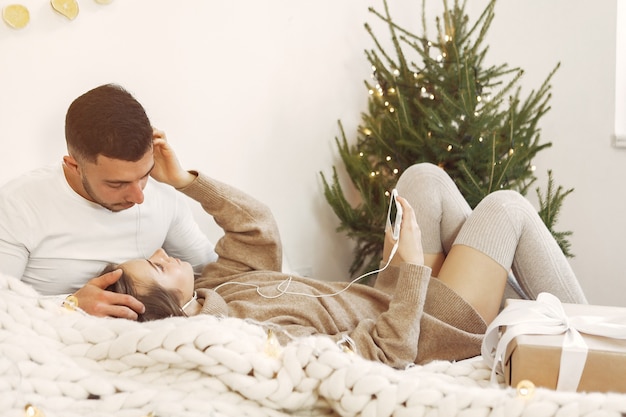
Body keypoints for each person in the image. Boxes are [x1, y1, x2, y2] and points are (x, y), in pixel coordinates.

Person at [106, 154, 588, 367]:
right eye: (152, 267)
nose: (160, 253)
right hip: (429, 323)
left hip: (391, 295)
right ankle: (595, 336)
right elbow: (385, 354)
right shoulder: (246, 334)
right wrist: (415, 267)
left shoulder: (217, 287)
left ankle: (526, 305)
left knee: (421, 179)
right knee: (505, 208)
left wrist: (186, 182)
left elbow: (256, 226)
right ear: (165, 306)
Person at [0, 84, 217, 319]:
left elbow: (216, 272)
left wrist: (186, 182)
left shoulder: (162, 193)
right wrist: (68, 305)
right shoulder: (17, 206)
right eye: (117, 184)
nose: (139, 196)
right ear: (73, 165)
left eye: (144, 175)